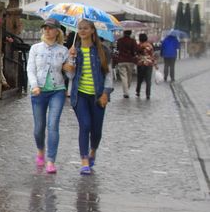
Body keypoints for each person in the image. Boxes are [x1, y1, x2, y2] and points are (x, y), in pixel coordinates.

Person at [64, 19, 114, 176]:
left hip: (98, 96)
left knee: (96, 130)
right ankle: (84, 160)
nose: (82, 31)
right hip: (80, 95)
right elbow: (70, 75)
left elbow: (109, 74)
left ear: (92, 30)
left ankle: (93, 150)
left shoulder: (102, 51)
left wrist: (106, 93)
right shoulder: (74, 50)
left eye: (86, 28)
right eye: (80, 28)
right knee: (85, 125)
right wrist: (70, 60)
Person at [26, 18, 68, 174]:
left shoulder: (63, 51)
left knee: (53, 125)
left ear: (57, 31)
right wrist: (34, 85)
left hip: (57, 90)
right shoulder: (35, 49)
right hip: (39, 91)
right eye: (45, 28)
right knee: (39, 128)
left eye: (50, 28)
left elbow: (69, 73)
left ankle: (51, 160)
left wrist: (72, 61)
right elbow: (30, 69)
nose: (47, 30)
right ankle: (40, 150)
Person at [114, 30, 138, 98]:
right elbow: (135, 50)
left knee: (123, 77)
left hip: (121, 60)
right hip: (130, 60)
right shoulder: (133, 41)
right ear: (130, 33)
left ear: (124, 33)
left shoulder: (120, 40)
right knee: (129, 76)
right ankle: (127, 90)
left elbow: (117, 49)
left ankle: (126, 91)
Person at [135, 32, 155, 99]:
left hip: (140, 63)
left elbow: (136, 54)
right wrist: (154, 63)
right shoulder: (150, 46)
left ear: (140, 39)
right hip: (149, 64)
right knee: (148, 80)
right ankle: (148, 94)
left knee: (139, 79)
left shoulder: (138, 46)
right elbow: (152, 55)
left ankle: (138, 91)